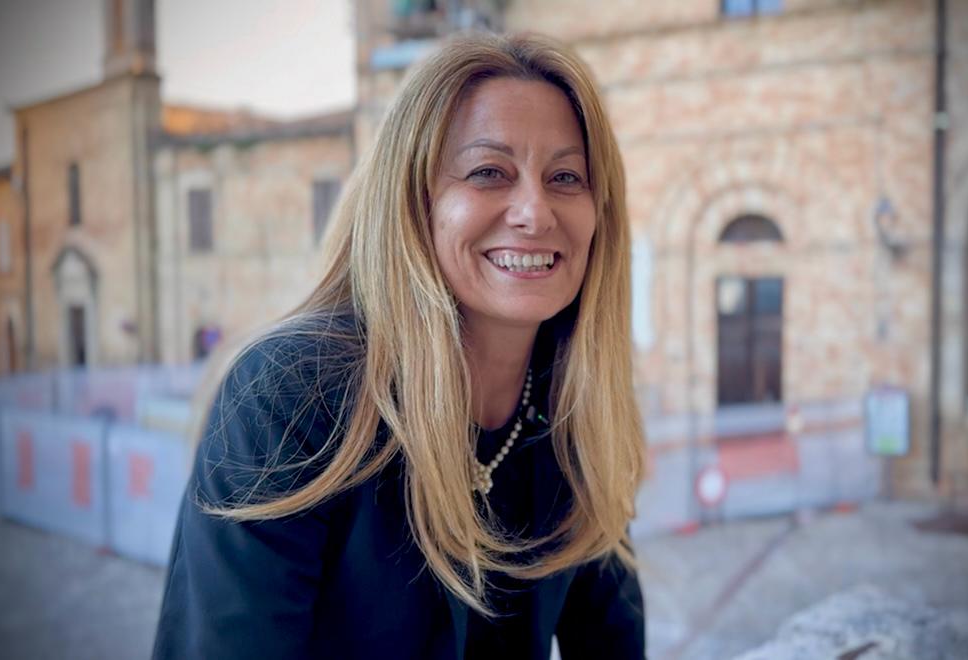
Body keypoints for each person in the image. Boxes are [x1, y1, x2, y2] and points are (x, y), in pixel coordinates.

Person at [152, 31, 646, 660]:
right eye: (488, 172)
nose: (535, 211)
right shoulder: (287, 394)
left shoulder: (575, 404)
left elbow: (613, 643)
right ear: (414, 202)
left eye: (566, 177)